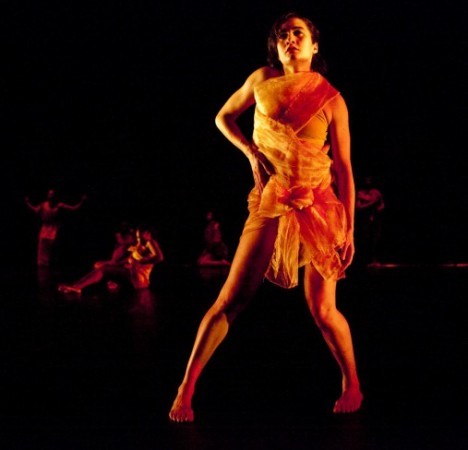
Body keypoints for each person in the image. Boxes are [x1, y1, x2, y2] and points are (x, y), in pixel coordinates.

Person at [169, 12, 363, 422]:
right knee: (230, 300)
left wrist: (349, 227)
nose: (289, 39)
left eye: (298, 33)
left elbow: (345, 168)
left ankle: (352, 382)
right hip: (272, 199)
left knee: (323, 309)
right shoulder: (262, 79)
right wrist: (250, 152)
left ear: (314, 45)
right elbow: (223, 117)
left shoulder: (331, 98)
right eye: (282, 35)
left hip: (319, 204)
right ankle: (186, 387)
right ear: (276, 47)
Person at [58, 224, 164, 295]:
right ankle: (79, 285)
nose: (138, 238)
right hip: (132, 276)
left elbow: (160, 258)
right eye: (137, 236)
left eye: (139, 236)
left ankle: (77, 287)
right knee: (104, 268)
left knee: (104, 270)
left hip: (139, 280)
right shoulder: (141, 247)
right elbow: (128, 260)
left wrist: (140, 261)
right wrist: (115, 264)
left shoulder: (151, 242)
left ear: (147, 233)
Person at [25, 189, 87, 267]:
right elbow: (35, 210)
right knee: (42, 248)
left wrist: (82, 201)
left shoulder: (59, 205)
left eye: (52, 194)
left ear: (55, 196)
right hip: (45, 228)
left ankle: (54, 266)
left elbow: (73, 208)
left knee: (53, 248)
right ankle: (42, 266)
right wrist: (27, 203)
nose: (51, 196)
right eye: (49, 194)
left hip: (54, 228)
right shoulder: (43, 205)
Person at [356, 176, 385, 265]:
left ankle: (374, 260)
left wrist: (378, 209)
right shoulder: (360, 193)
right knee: (365, 238)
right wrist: (371, 203)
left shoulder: (376, 192)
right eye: (366, 181)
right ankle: (365, 260)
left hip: (375, 218)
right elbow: (358, 207)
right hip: (364, 220)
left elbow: (382, 205)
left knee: (376, 239)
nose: (368, 183)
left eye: (369, 181)